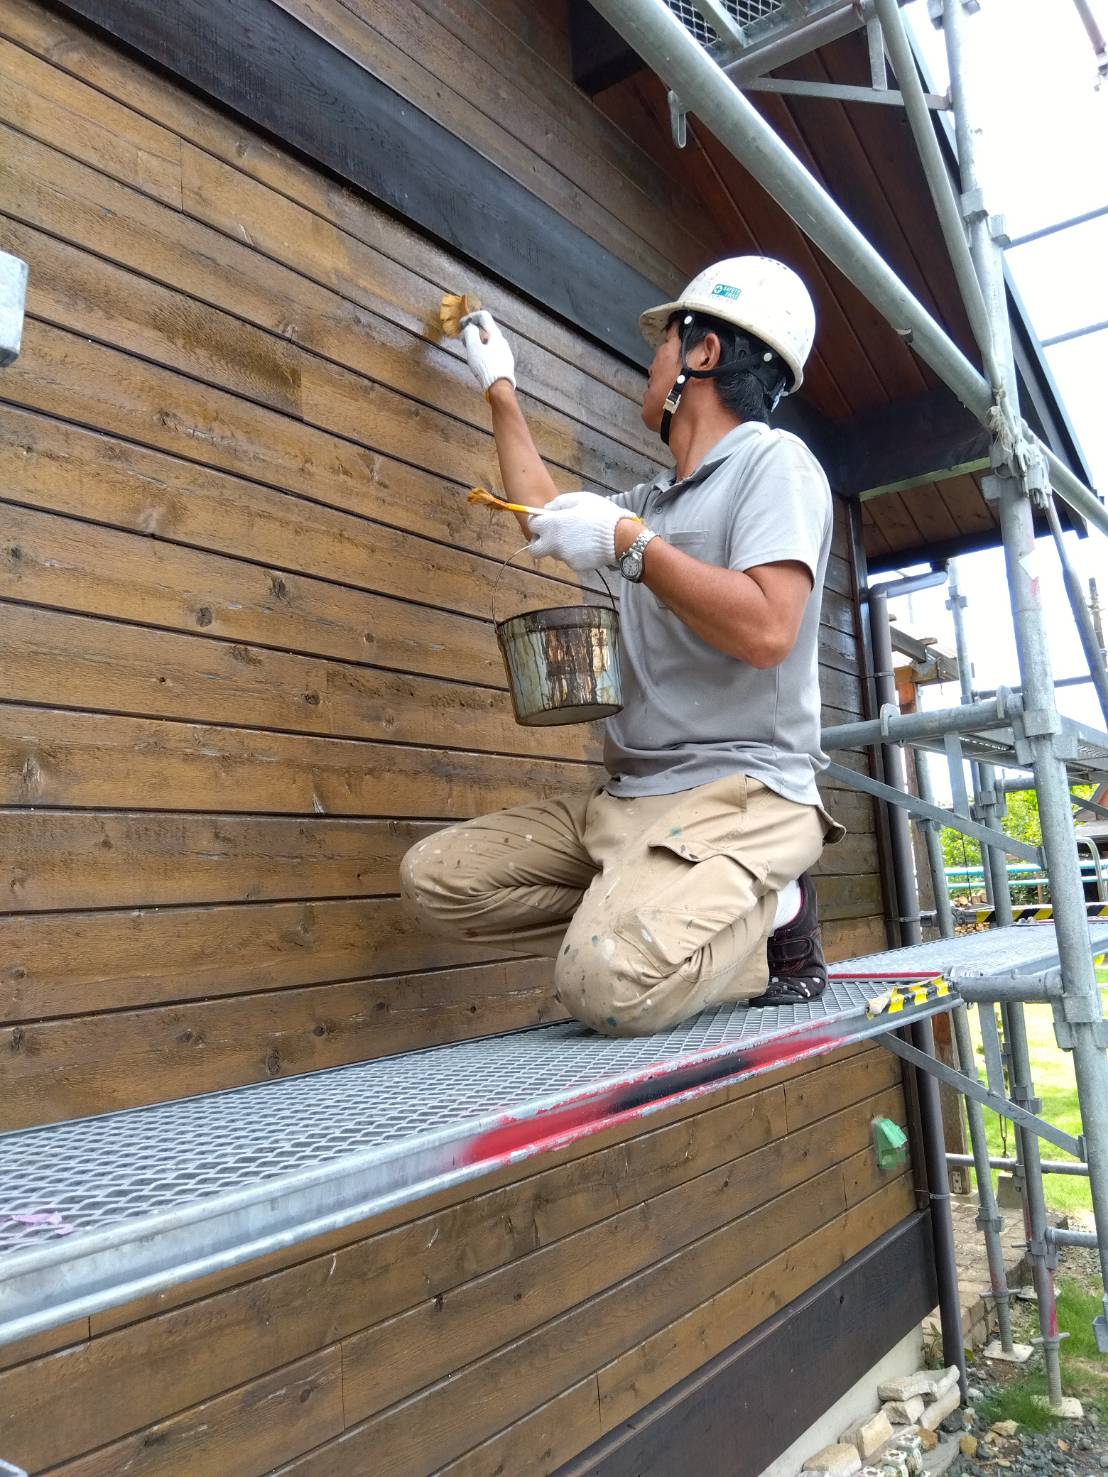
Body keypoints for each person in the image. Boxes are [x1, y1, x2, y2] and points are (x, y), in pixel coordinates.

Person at [401, 257, 843, 1037]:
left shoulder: (776, 465)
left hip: (742, 798)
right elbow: (545, 514)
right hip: (629, 802)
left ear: (702, 353)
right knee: (437, 881)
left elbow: (770, 628)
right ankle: (642, 896)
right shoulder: (648, 503)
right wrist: (498, 385)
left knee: (605, 984)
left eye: (662, 348)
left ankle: (780, 907)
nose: (650, 367)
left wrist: (632, 545)